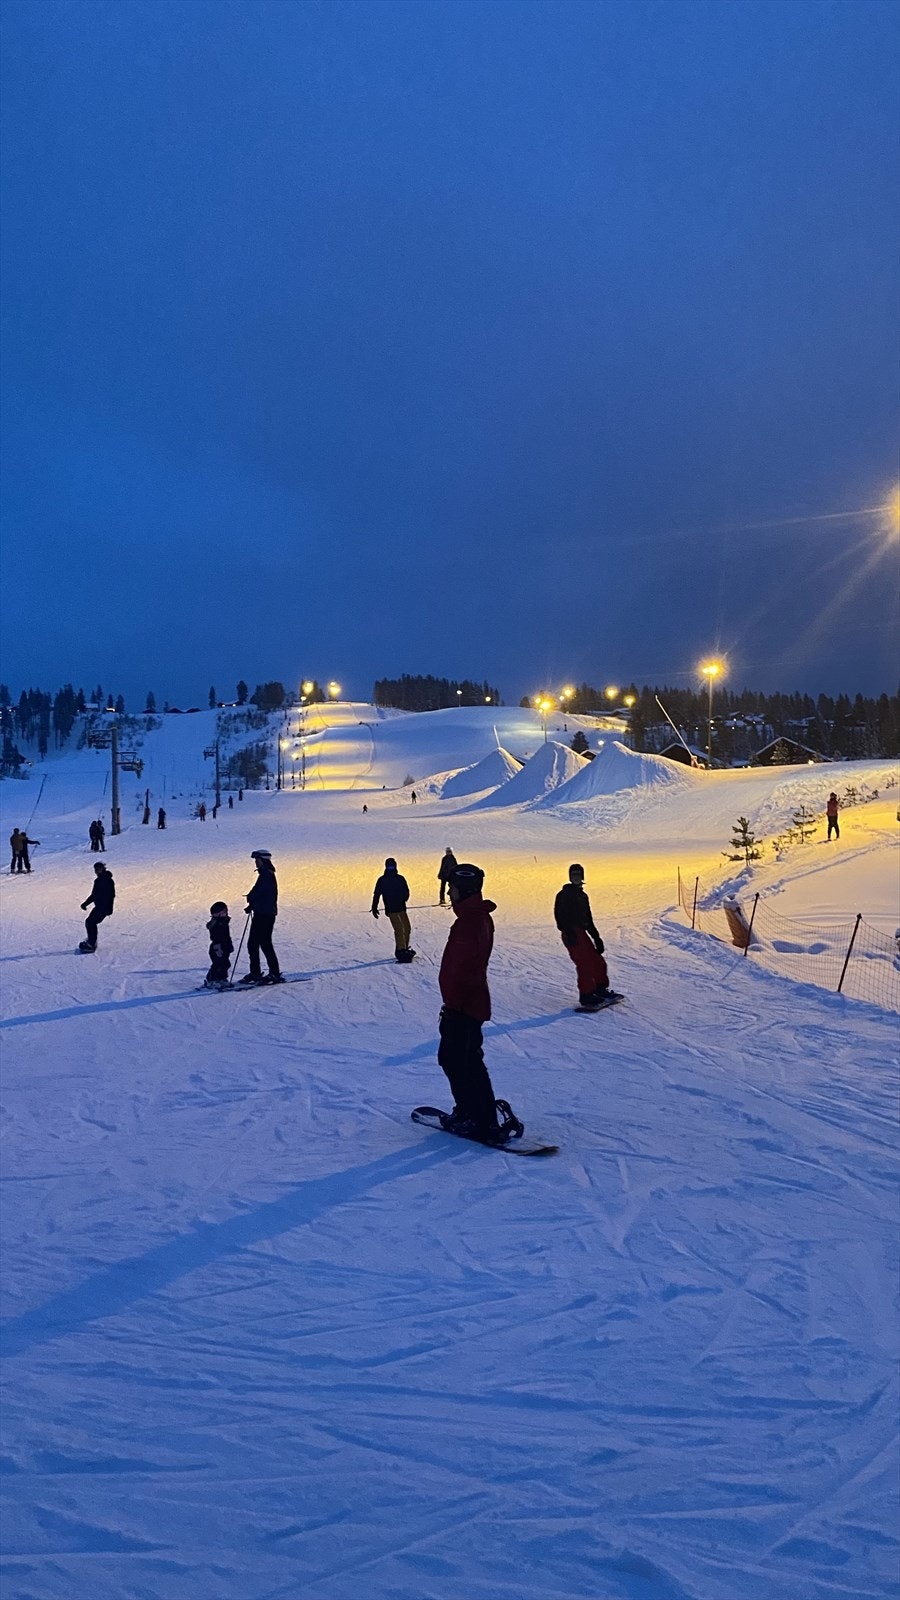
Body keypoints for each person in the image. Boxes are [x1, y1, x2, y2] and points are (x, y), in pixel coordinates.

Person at [436, 862, 521, 1143]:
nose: (449, 893)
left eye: (453, 888)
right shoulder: (473, 917)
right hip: (467, 1003)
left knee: (459, 1061)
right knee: (461, 1060)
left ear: (465, 889)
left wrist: (454, 1006)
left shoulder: (470, 922)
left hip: (464, 1005)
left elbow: (463, 969)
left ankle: (479, 1119)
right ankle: (472, 1113)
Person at [554, 863, 611, 1010]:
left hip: (582, 932)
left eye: (578, 875)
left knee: (597, 960)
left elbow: (588, 919)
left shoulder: (582, 896)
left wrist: (596, 937)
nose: (576, 878)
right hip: (572, 934)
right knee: (584, 964)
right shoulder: (564, 895)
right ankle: (586, 995)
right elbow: (559, 916)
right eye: (573, 875)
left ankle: (599, 988)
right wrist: (569, 932)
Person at [239, 849, 283, 983]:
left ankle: (272, 973)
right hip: (262, 913)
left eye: (257, 860)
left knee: (262, 943)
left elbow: (261, 893)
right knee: (256, 943)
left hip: (265, 915)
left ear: (263, 860)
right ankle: (258, 972)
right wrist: (252, 905)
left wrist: (252, 900)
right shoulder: (265, 874)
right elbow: (262, 894)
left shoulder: (266, 875)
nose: (256, 862)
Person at [371, 857, 414, 961]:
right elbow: (377, 894)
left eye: (392, 866)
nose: (391, 868)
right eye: (389, 867)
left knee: (407, 928)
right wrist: (374, 907)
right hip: (391, 909)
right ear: (386, 867)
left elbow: (406, 890)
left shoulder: (400, 878)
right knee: (399, 929)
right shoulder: (382, 880)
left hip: (401, 907)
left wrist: (404, 898)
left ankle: (404, 947)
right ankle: (401, 950)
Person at [79, 861, 115, 951]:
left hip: (102, 907)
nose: (96, 871)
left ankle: (91, 944)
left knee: (90, 922)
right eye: (95, 869)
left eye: (98, 869)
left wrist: (85, 904)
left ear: (103, 869)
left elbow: (96, 895)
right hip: (101, 906)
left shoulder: (102, 880)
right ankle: (92, 941)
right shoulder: (106, 879)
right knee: (90, 922)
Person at [204, 901, 234, 988]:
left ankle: (222, 978)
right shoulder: (216, 923)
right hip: (217, 947)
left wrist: (229, 944)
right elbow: (216, 937)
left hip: (225, 945)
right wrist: (218, 947)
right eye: (224, 911)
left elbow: (226, 935)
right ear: (218, 913)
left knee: (225, 963)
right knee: (217, 964)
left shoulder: (224, 921)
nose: (226, 913)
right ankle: (211, 980)